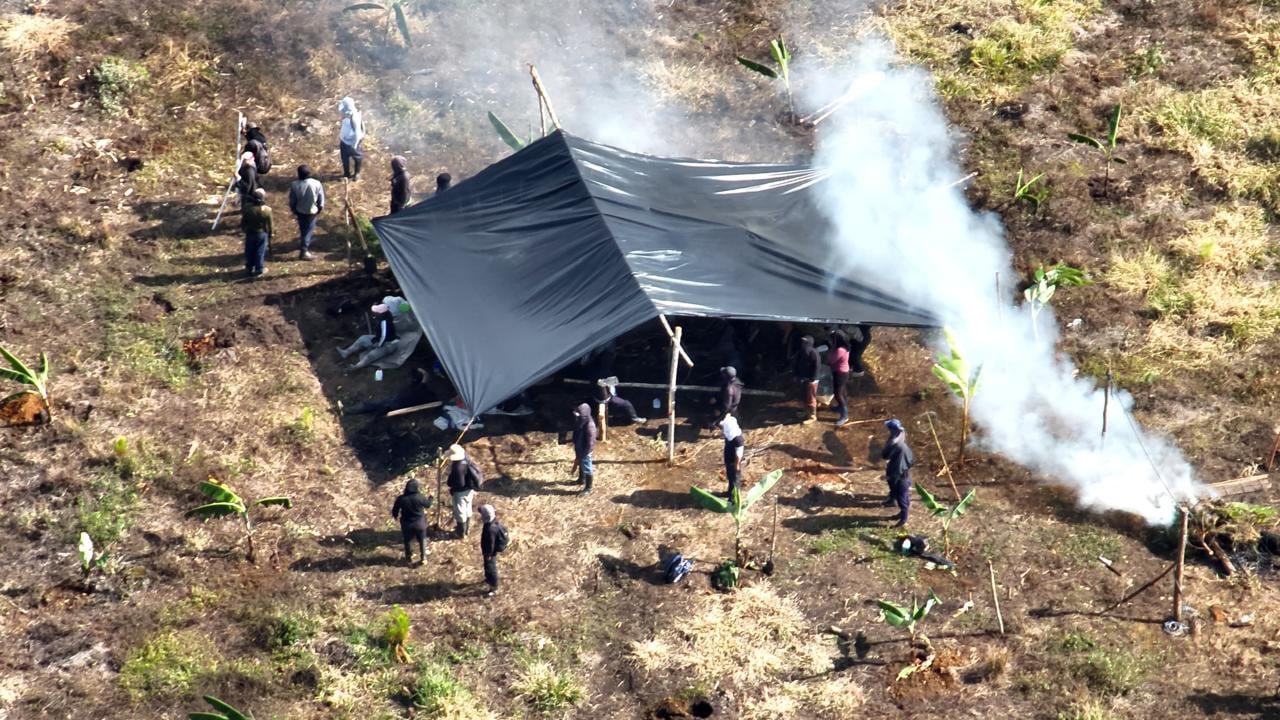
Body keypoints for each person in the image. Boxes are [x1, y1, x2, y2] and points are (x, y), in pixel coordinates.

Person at [343, 368, 435, 416]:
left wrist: (421, 371)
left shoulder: (419, 389)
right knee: (374, 404)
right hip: (396, 399)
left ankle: (348, 411)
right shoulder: (420, 388)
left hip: (397, 403)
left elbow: (425, 377)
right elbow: (425, 379)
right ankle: (350, 409)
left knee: (373, 405)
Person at [337, 303, 399, 370]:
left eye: (376, 312)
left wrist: (378, 345)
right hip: (379, 339)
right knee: (363, 338)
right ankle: (346, 352)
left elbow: (384, 336)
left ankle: (355, 367)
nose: (374, 313)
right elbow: (381, 335)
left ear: (381, 313)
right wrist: (375, 340)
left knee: (371, 355)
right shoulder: (383, 318)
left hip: (389, 344)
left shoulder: (385, 322)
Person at [880, 418, 914, 527]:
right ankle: (901, 513)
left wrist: (887, 477)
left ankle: (903, 519)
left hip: (900, 479)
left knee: (902, 500)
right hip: (903, 475)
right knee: (902, 496)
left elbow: (896, 471)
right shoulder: (902, 443)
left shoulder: (897, 446)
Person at [391, 478, 433, 565]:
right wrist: (431, 497)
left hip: (407, 524)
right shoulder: (419, 497)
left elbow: (395, 510)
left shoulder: (401, 499)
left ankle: (408, 557)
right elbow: (428, 505)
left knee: (407, 540)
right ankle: (423, 558)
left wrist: (395, 516)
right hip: (419, 523)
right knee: (422, 539)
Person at [287, 165, 325, 260]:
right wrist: (320, 208)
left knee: (303, 229)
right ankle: (304, 250)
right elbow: (321, 199)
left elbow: (292, 200)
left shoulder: (294, 185)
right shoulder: (317, 183)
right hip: (312, 211)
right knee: (308, 230)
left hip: (300, 210)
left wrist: (293, 209)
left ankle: (304, 244)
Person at [445, 443, 481, 538]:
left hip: (460, 492)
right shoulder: (467, 460)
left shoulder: (458, 467)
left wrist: (452, 487)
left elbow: (458, 483)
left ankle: (460, 533)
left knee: (460, 512)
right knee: (467, 508)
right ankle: (466, 529)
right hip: (470, 489)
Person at [240, 188, 272, 277]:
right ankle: (259, 268)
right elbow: (270, 224)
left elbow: (243, 221)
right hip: (261, 233)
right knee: (260, 251)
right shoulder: (267, 210)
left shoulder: (247, 208)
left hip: (250, 232)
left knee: (249, 250)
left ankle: (249, 267)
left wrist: (243, 229)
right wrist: (270, 234)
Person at [478, 503, 505, 597]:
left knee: (491, 568)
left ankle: (494, 586)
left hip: (490, 553)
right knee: (487, 566)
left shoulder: (489, 529)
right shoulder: (493, 523)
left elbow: (490, 544)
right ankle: (488, 578)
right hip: (490, 552)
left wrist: (488, 554)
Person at [793, 335, 821, 425]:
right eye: (803, 342)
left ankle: (812, 416)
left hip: (811, 380)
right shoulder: (801, 352)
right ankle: (806, 412)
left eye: (805, 342)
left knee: (811, 398)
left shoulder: (814, 352)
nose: (803, 344)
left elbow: (817, 366)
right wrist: (796, 375)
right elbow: (796, 364)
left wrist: (813, 378)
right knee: (804, 396)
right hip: (802, 378)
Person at [571, 403, 597, 494]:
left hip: (585, 451)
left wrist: (583, 454)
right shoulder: (581, 423)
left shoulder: (590, 427)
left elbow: (590, 444)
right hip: (580, 447)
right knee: (581, 464)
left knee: (587, 467)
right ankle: (581, 479)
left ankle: (588, 488)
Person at [827, 331, 851, 427]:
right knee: (843, 391)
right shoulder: (846, 348)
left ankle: (844, 415)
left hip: (839, 373)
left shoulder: (840, 350)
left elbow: (830, 360)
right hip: (844, 371)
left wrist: (830, 350)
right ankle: (840, 407)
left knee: (838, 394)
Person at [338, 96, 366, 180]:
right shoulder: (347, 115)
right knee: (344, 158)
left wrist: (354, 145)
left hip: (352, 143)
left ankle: (357, 174)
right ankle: (346, 174)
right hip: (344, 141)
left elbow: (357, 133)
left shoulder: (354, 117)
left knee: (357, 157)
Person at [721, 414, 745, 496]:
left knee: (735, 477)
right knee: (730, 475)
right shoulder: (729, 431)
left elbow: (739, 453)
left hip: (734, 459)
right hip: (729, 453)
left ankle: (734, 498)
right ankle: (729, 492)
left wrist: (737, 464)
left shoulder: (738, 439)